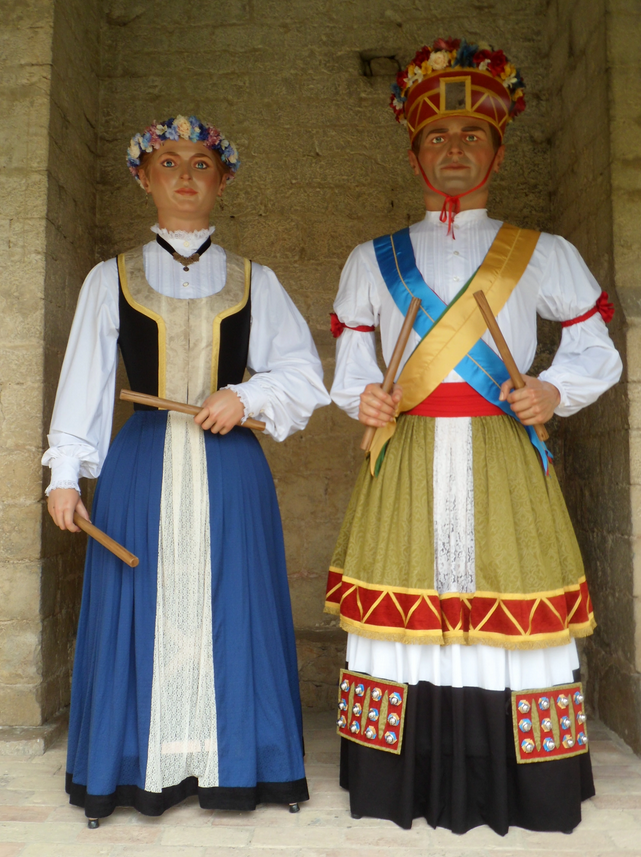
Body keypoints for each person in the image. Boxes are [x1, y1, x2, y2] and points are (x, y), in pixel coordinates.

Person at [325, 39, 622, 835]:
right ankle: (399, 775)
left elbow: (597, 350)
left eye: (471, 135)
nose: (452, 149)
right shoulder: (372, 260)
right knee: (401, 605)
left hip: (501, 449)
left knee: (512, 598)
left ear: (498, 150)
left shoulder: (542, 252)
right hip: (408, 449)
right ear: (413, 153)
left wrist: (552, 388)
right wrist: (364, 397)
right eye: (435, 136)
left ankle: (525, 783)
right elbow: (351, 364)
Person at [44, 114, 330, 823]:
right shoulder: (109, 278)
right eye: (167, 163)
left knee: (234, 602)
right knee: (135, 600)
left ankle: (240, 765)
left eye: (200, 164)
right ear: (143, 178)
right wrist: (64, 474)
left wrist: (246, 396)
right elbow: (84, 379)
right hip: (140, 462)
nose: (184, 177)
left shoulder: (254, 280)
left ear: (222, 180)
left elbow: (301, 373)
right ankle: (135, 767)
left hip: (230, 469)